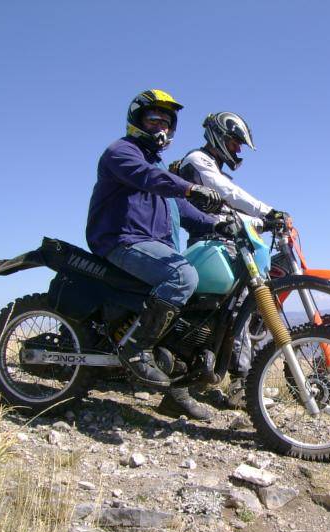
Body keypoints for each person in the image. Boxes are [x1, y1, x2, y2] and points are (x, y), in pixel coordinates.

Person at [86, 89, 232, 421]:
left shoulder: (157, 163)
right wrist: (190, 187)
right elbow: (150, 179)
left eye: (166, 121)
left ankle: (174, 391)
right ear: (137, 121)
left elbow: (181, 208)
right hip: (121, 242)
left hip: (151, 247)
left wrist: (218, 225)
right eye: (154, 119)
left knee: (196, 298)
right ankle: (135, 350)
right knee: (182, 275)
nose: (160, 126)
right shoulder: (122, 153)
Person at [169, 112, 289, 405]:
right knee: (237, 310)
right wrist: (267, 211)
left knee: (239, 309)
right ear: (218, 137)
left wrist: (261, 222)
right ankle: (240, 383)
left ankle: (228, 378)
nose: (237, 150)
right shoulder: (198, 161)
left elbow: (230, 211)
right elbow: (228, 194)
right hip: (210, 244)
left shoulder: (213, 167)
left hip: (223, 242)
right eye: (235, 143)